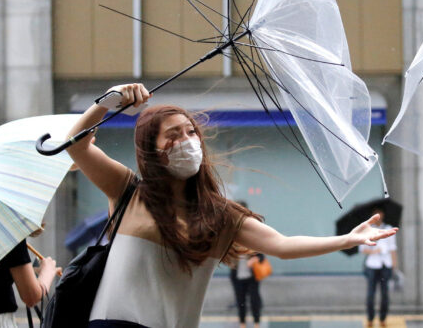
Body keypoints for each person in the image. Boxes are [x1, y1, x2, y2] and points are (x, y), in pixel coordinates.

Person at [67, 83, 398, 328]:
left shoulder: (220, 214)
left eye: (190, 132)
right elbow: (75, 145)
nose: (186, 141)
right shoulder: (128, 191)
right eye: (173, 135)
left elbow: (282, 245)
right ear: (150, 149)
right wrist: (108, 101)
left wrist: (347, 239)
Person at [360, 207, 398, 328]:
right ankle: (370, 318)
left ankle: (383, 317)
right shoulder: (369, 230)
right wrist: (374, 250)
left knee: (385, 294)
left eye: (380, 213)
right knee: (371, 293)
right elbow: (362, 249)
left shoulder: (388, 228)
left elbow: (393, 249)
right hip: (372, 265)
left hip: (385, 265)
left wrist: (394, 265)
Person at [229, 201, 263, 328]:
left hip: (252, 273)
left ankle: (256, 323)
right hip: (237, 273)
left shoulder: (252, 229)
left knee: (254, 300)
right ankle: (242, 324)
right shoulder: (230, 230)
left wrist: (254, 259)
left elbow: (262, 252)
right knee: (240, 300)